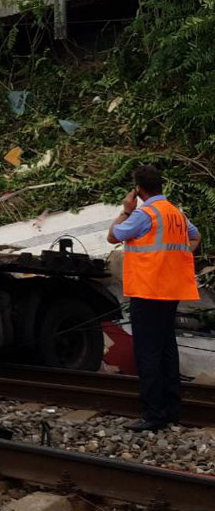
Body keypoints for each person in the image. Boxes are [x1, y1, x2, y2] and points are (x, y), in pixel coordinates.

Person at [107, 165, 202, 431]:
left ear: (139, 190)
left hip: (148, 290)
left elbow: (112, 236)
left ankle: (153, 415)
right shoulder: (176, 214)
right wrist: (179, 256)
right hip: (170, 290)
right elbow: (196, 237)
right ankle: (172, 410)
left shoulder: (143, 214)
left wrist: (126, 209)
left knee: (147, 353)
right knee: (166, 349)